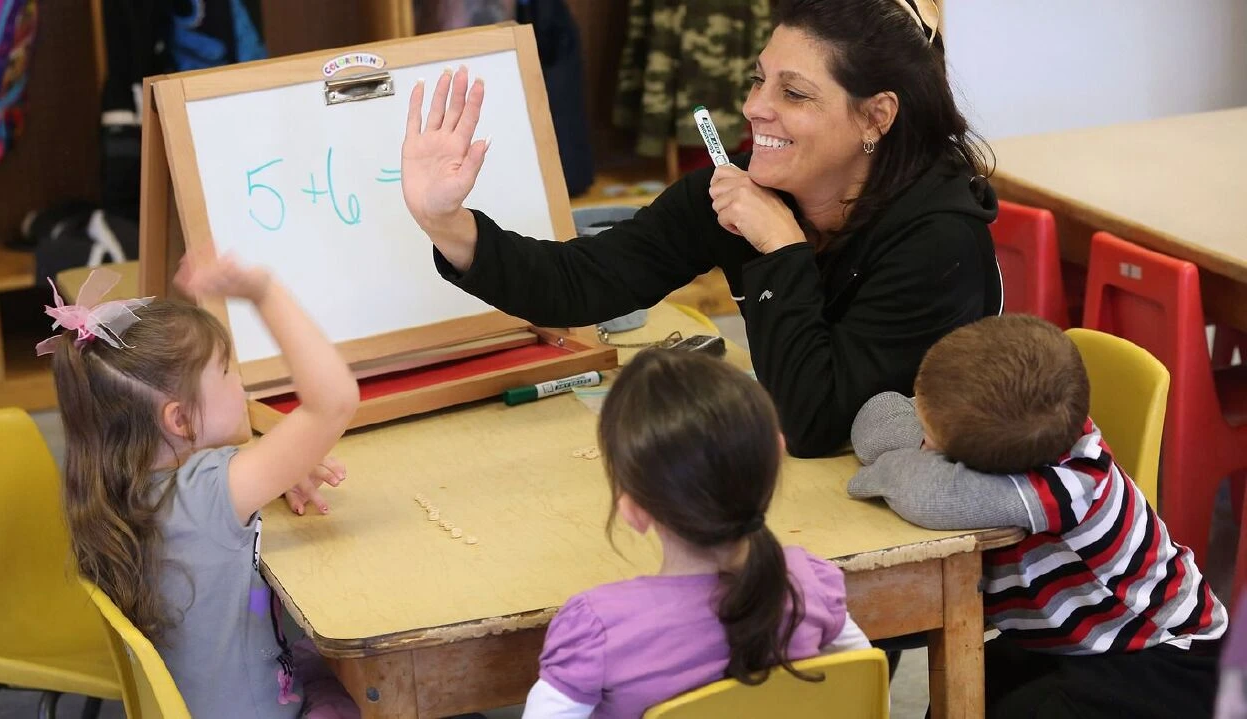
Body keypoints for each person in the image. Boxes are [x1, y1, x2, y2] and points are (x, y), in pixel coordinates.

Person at [398, 0, 1001, 457]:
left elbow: (817, 424)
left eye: (793, 93)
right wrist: (445, 222)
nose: (756, 107)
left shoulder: (938, 240)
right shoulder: (740, 190)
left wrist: (781, 247)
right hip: (810, 504)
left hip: (929, 528)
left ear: (876, 116)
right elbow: (580, 284)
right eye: (758, 79)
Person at [848, 315, 1227, 718]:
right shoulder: (1010, 431)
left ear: (981, 466)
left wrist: (890, 467)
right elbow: (877, 417)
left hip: (1162, 656)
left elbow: (924, 491)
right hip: (1066, 636)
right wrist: (920, 445)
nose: (921, 443)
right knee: (974, 683)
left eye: (929, 440)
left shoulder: (1069, 485)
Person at [45, 259, 361, 717]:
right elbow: (333, 403)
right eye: (228, 372)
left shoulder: (117, 488)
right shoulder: (207, 491)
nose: (241, 383)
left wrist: (277, 471)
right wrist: (263, 291)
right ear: (180, 419)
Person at [522, 349, 870, 718]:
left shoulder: (598, 631)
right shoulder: (810, 584)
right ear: (777, 454)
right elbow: (863, 688)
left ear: (633, 511)